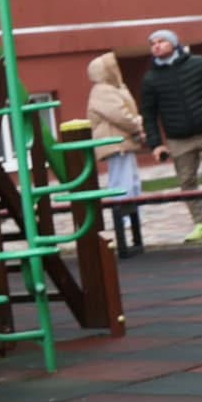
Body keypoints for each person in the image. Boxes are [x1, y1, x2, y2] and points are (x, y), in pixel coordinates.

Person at [138, 28, 202, 242]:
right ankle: (201, 225)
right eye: (153, 43)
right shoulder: (150, 79)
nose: (156, 46)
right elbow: (149, 114)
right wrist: (156, 144)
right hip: (178, 140)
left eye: (162, 41)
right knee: (187, 182)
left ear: (174, 44)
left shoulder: (200, 64)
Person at [85, 52, 146, 254]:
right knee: (122, 180)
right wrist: (136, 123)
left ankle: (133, 215)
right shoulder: (103, 90)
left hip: (123, 141)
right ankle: (124, 217)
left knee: (131, 179)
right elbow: (118, 114)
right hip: (115, 142)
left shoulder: (113, 88)